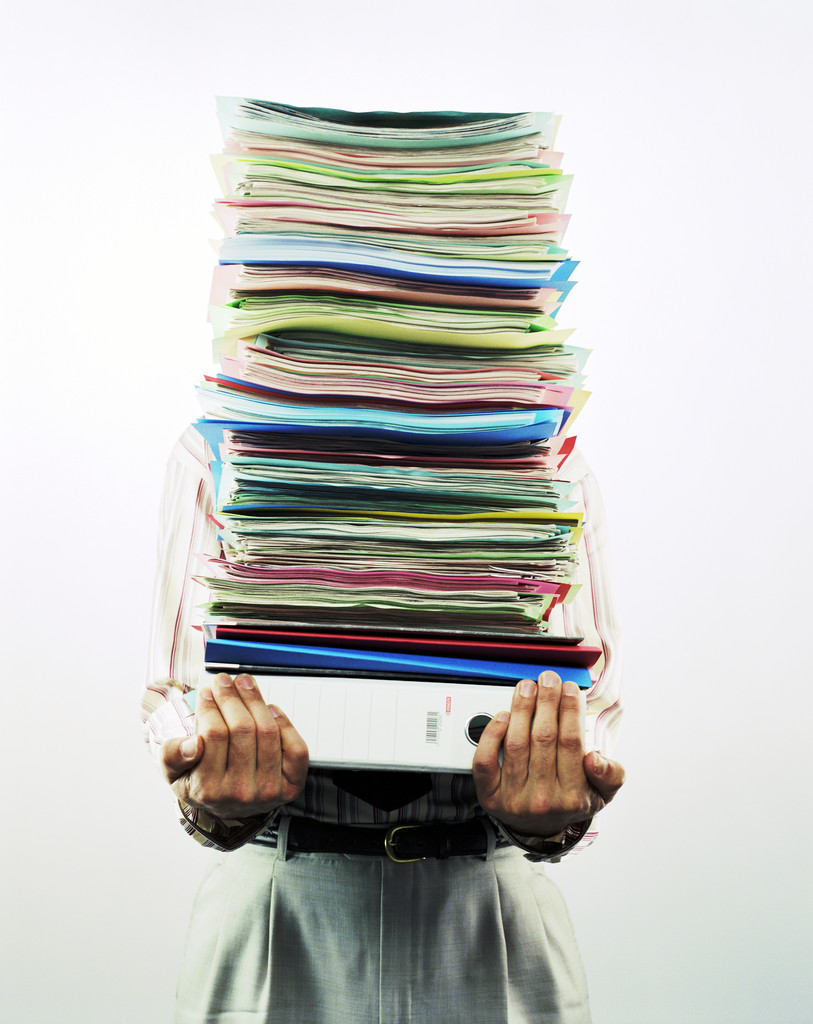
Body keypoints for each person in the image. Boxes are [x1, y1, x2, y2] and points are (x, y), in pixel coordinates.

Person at [144, 425, 625, 1024]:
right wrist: (206, 778)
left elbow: (590, 708)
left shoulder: (553, 468)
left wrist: (559, 808)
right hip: (276, 907)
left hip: (487, 907)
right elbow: (180, 691)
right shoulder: (217, 454)